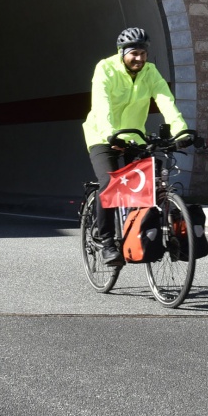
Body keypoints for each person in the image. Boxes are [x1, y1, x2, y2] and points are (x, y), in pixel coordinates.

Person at [82, 26, 189, 265]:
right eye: (134, 54)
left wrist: (180, 129)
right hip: (102, 135)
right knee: (110, 182)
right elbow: (102, 105)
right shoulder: (105, 69)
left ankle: (150, 235)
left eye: (143, 53)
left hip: (134, 137)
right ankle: (106, 240)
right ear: (122, 53)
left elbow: (165, 100)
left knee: (153, 183)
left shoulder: (150, 72)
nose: (139, 59)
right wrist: (111, 135)